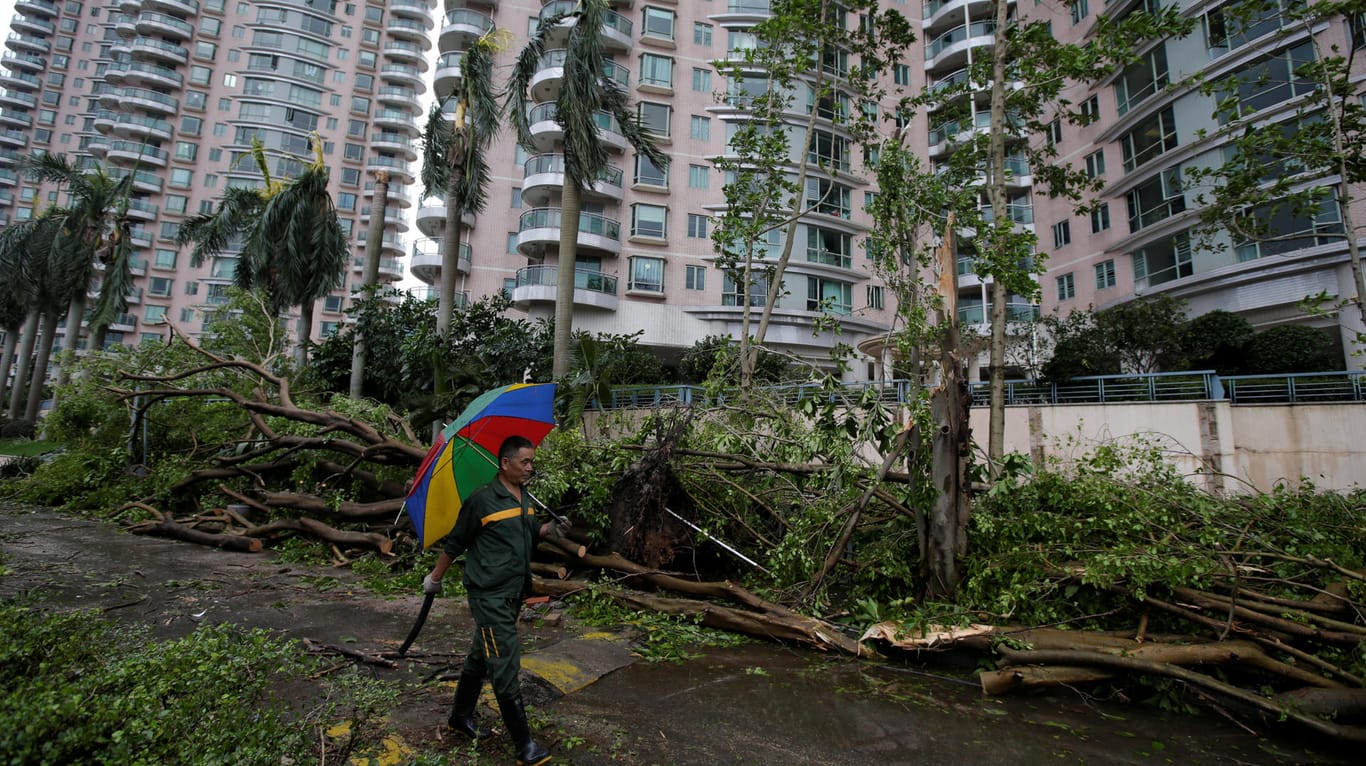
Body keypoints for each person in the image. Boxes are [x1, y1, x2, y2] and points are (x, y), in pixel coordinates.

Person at [422, 434, 555, 766]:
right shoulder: (481, 501)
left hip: (513, 592)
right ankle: (524, 745)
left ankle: (460, 716)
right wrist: (435, 579)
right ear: (505, 463)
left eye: (532, 461)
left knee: (482, 655)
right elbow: (455, 544)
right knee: (504, 661)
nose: (530, 467)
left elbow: (528, 531)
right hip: (489, 594)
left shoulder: (524, 496)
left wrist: (552, 529)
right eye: (525, 462)